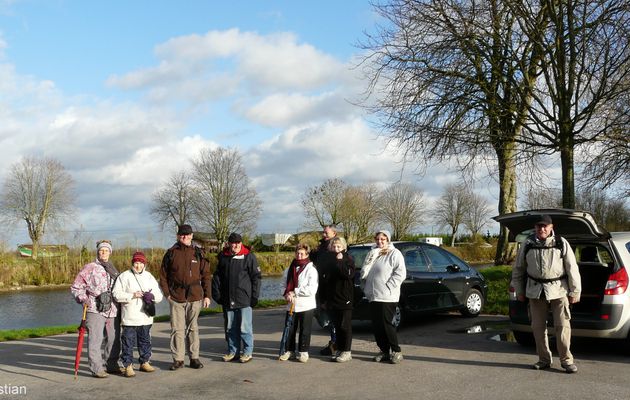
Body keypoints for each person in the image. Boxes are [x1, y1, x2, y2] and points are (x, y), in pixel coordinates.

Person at [511, 214, 581, 373]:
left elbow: (572, 269)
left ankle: (566, 360)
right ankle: (544, 359)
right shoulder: (527, 244)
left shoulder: (561, 243)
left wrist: (575, 291)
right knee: (537, 327)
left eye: (545, 226)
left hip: (559, 290)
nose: (542, 229)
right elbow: (518, 270)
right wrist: (519, 291)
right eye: (538, 226)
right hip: (535, 291)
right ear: (535, 228)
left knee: (562, 326)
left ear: (551, 227)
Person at [159, 224, 211, 371]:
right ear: (178, 236)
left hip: (195, 296)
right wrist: (167, 294)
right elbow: (163, 276)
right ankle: (178, 359)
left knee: (193, 328)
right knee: (177, 329)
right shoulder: (170, 253)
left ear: (192, 236)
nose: (185, 237)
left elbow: (206, 276)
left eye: (187, 234)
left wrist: (207, 296)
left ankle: (194, 358)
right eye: (182, 234)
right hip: (176, 297)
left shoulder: (198, 253)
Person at [71, 240, 122, 378]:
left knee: (113, 338)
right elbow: (76, 286)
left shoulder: (113, 269)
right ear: (97, 252)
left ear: (110, 252)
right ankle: (97, 368)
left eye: (106, 250)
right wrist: (83, 299)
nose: (104, 252)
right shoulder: (90, 267)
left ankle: (112, 364)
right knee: (96, 339)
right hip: (94, 308)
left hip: (112, 308)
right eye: (101, 250)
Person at [212, 232, 261, 363]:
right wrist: (216, 294)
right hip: (228, 299)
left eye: (238, 243)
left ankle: (247, 352)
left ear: (241, 243)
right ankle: (233, 351)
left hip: (244, 299)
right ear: (229, 244)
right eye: (233, 243)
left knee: (245, 328)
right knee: (230, 328)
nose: (235, 245)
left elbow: (256, 278)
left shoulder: (249, 257)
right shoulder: (223, 256)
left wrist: (254, 296)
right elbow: (217, 277)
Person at [112, 251, 164, 377]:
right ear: (132, 263)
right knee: (128, 342)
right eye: (136, 263)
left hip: (145, 317)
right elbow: (116, 294)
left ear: (144, 264)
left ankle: (144, 362)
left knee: (145, 341)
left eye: (141, 263)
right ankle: (128, 365)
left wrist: (151, 296)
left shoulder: (149, 276)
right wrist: (132, 295)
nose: (138, 266)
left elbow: (159, 296)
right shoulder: (124, 276)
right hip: (129, 317)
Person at [360, 230, 406, 364]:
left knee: (387, 325)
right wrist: (366, 287)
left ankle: (396, 351)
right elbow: (366, 272)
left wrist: (389, 287)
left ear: (388, 240)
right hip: (373, 295)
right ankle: (384, 351)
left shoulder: (395, 253)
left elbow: (400, 273)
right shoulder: (373, 253)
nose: (380, 241)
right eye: (378, 239)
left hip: (387, 296)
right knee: (377, 326)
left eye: (383, 239)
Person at [279, 243, 318, 363]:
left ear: (306, 254)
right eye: (297, 253)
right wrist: (286, 294)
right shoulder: (289, 269)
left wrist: (294, 292)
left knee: (304, 330)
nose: (299, 255)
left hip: (306, 305)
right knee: (290, 329)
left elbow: (311, 289)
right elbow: (282, 285)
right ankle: (289, 351)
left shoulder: (311, 269)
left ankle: (303, 352)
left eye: (302, 253)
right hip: (291, 305)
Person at [319, 236, 355, 363]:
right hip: (332, 299)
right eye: (334, 246)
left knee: (345, 326)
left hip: (345, 298)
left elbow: (348, 275)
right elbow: (324, 280)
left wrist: (340, 262)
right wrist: (323, 299)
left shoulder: (348, 259)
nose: (336, 249)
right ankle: (339, 349)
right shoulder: (328, 259)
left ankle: (347, 351)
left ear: (344, 247)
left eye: (338, 246)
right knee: (337, 326)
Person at [311, 224, 338, 356]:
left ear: (334, 233)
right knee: (320, 315)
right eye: (323, 232)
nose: (324, 235)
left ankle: (335, 343)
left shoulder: (335, 246)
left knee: (331, 317)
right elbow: (314, 260)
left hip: (330, 286)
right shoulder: (322, 246)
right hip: (319, 285)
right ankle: (334, 341)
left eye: (326, 233)